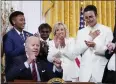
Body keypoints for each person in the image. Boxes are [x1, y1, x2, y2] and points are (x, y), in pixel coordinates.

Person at [74, 5, 113, 82]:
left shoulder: (107, 30)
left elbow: (110, 51)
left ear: (96, 15)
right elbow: (77, 50)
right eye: (86, 17)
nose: (88, 19)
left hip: (101, 72)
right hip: (84, 74)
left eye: (91, 16)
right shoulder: (80, 32)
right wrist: (89, 38)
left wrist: (95, 46)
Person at [3, 11, 32, 75]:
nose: (24, 22)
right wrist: (25, 45)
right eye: (21, 20)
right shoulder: (8, 36)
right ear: (14, 22)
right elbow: (9, 54)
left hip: (29, 73)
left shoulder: (30, 35)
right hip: (14, 73)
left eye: (24, 20)